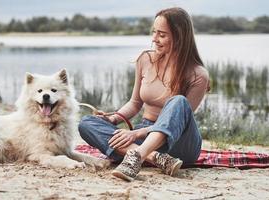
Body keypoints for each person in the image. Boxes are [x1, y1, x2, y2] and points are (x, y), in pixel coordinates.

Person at [78, 7, 209, 182]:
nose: (154, 39)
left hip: (179, 143)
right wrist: (112, 119)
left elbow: (181, 121)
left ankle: (137, 157)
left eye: (162, 34)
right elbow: (134, 103)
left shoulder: (198, 74)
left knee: (178, 102)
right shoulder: (145, 60)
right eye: (154, 32)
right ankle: (155, 158)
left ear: (180, 36)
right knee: (86, 123)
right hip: (147, 138)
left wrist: (137, 134)